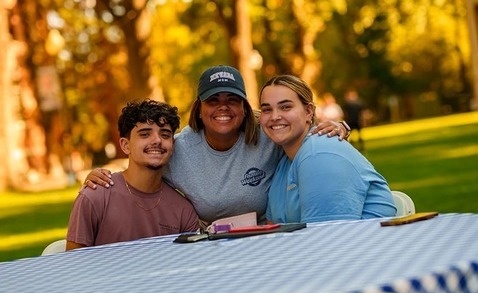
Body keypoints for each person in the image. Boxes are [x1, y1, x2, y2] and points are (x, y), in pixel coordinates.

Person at [84, 65, 350, 227]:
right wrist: (102, 176)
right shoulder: (180, 149)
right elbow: (144, 159)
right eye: (213, 100)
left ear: (245, 108)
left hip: (269, 242)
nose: (223, 107)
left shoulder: (268, 133)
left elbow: (300, 131)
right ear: (199, 109)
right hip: (214, 250)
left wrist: (340, 127)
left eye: (232, 99)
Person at [259, 75, 396, 224]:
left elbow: (327, 238)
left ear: (308, 111)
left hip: (365, 244)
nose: (274, 116)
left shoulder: (319, 154)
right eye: (266, 109)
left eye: (285, 107)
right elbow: (273, 228)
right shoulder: (284, 163)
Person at [66, 99, 199, 250]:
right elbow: (73, 265)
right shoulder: (95, 196)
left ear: (172, 146)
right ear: (125, 145)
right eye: (145, 134)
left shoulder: (183, 210)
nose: (157, 140)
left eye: (165, 134)